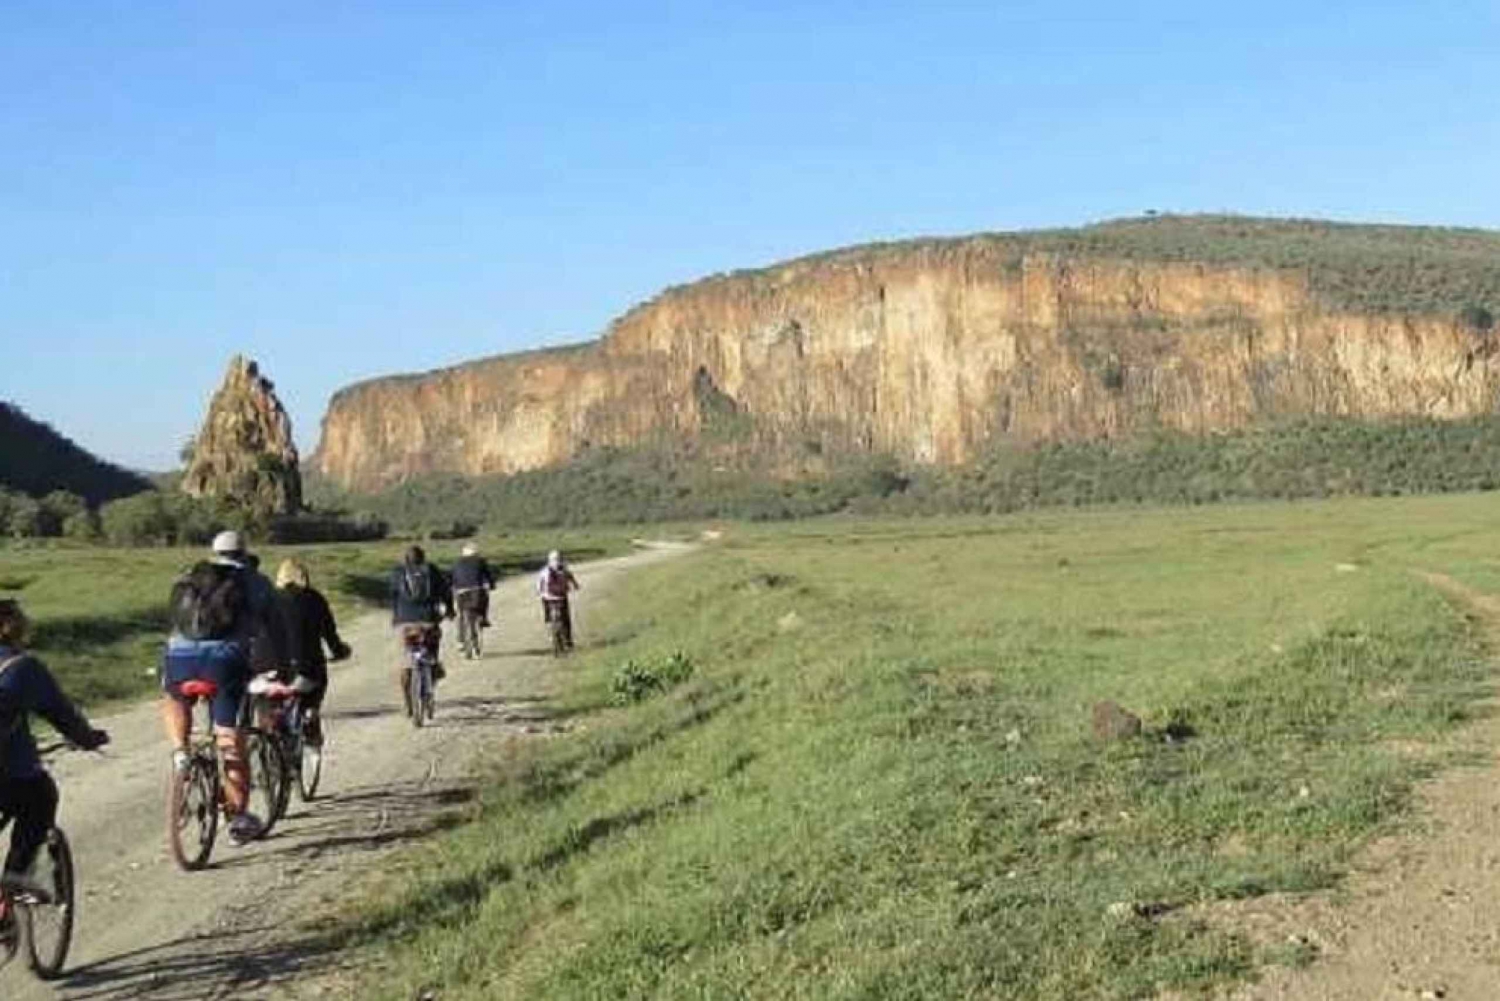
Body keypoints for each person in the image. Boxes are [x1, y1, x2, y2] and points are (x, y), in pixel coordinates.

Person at [160, 530, 283, 845]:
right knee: (230, 738)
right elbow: (277, 628)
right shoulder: (255, 581)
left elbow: (175, 619)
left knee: (174, 695)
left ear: (214, 551)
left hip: (179, 655)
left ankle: (180, 751)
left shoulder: (189, 576)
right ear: (244, 553)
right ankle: (239, 818)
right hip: (225, 662)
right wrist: (281, 667)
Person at [0, 599, 108, 932]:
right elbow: (61, 714)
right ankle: (11, 884)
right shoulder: (22, 667)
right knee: (41, 797)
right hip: (10, 775)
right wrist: (89, 738)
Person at [271, 559, 350, 745]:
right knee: (317, 683)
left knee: (271, 705)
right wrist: (339, 651)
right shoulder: (314, 599)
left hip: (271, 668)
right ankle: (310, 713)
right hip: (306, 669)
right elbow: (329, 634)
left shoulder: (268, 599)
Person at [391, 545, 454, 708]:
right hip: (428, 620)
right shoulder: (431, 570)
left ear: (405, 559)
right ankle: (434, 666)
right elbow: (446, 592)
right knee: (432, 648)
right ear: (423, 557)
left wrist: (396, 616)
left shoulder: (398, 572)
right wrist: (450, 610)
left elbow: (392, 595)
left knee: (405, 662)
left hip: (404, 622)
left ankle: (407, 704)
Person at [450, 542, 497, 653]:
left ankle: (460, 640)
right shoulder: (481, 561)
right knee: (484, 598)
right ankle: (484, 617)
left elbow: (452, 578)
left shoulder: (457, 563)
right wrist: (492, 584)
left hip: (461, 592)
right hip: (477, 591)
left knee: (461, 615)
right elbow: (488, 576)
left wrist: (452, 588)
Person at [536, 550, 581, 650]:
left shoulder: (545, 571)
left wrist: (540, 592)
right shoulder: (564, 570)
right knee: (566, 619)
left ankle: (551, 632)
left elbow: (539, 584)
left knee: (549, 619)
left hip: (547, 598)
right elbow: (572, 580)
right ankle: (568, 640)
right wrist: (576, 586)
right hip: (561, 597)